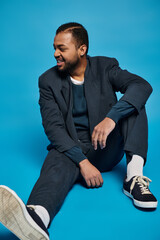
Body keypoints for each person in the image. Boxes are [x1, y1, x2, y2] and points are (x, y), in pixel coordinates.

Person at [0, 22, 158, 240]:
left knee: (134, 105)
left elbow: (142, 86)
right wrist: (83, 163)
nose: (56, 54)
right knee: (56, 157)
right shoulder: (47, 81)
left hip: (106, 147)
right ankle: (37, 219)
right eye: (54, 48)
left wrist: (111, 118)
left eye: (62, 49)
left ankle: (133, 179)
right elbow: (53, 127)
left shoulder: (106, 67)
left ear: (81, 49)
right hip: (72, 152)